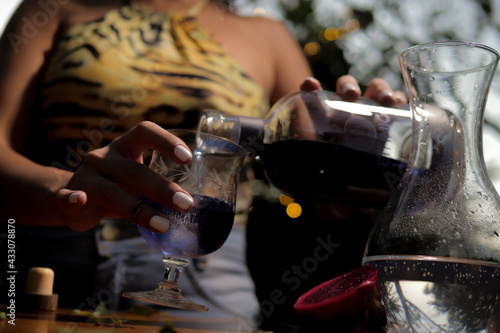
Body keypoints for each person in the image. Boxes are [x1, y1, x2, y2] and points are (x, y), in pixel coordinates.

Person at [0, 0, 406, 325]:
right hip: (48, 277)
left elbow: (326, 196)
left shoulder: (267, 36)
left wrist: (369, 141)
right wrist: (63, 194)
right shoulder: (53, 8)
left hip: (206, 290)